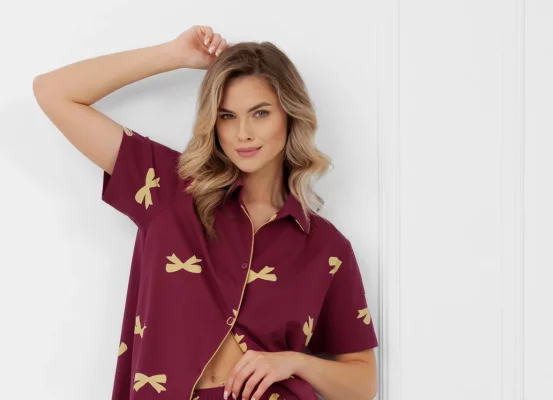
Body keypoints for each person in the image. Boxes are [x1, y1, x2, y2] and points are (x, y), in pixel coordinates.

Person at [33, 25, 379, 400]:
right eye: (227, 116)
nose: (243, 133)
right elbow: (53, 92)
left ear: (289, 116)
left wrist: (294, 362)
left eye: (260, 113)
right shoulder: (169, 191)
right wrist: (173, 54)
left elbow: (362, 385)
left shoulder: (325, 247)